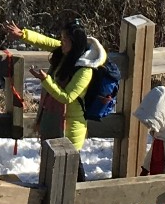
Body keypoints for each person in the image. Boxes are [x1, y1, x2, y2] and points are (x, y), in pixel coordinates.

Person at [6, 17, 114, 147]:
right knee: (63, 166)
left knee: (70, 166)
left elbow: (67, 97)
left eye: (64, 39)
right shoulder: (68, 54)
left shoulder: (85, 70)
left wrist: (45, 80)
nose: (61, 42)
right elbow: (47, 42)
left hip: (71, 131)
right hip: (59, 125)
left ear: (73, 42)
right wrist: (24, 34)